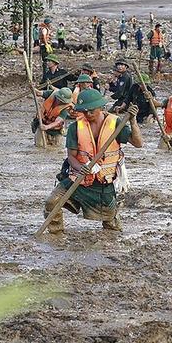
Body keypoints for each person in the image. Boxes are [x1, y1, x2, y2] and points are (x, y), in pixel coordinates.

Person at [42, 89, 143, 234]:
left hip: (103, 184)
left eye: (91, 110)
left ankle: (111, 242)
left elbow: (138, 143)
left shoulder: (115, 124)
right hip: (79, 179)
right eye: (85, 111)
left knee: (110, 222)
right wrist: (80, 167)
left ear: (101, 107)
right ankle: (56, 234)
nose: (88, 114)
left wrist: (133, 122)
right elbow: (71, 156)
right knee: (52, 202)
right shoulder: (75, 127)